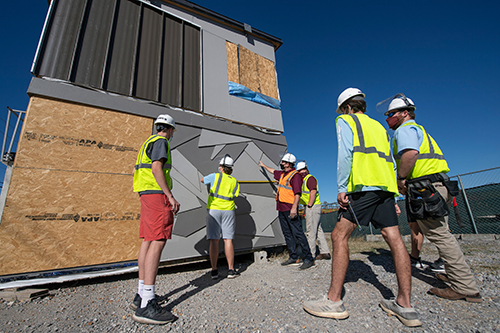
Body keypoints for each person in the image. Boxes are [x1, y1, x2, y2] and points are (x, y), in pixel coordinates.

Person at [303, 88, 422, 327]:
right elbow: (388, 157)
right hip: (385, 187)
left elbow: (346, 153)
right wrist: (392, 191)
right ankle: (405, 306)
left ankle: (333, 301)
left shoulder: (345, 120)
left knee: (338, 235)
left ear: (346, 107)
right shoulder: (379, 126)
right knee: (394, 237)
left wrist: (341, 186)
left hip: (362, 186)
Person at [385, 94, 481, 302]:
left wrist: (401, 178)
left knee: (439, 235)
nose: (389, 118)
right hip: (439, 185)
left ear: (405, 113)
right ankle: (455, 274)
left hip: (425, 188)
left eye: (392, 114)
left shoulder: (405, 130)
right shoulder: (420, 130)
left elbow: (410, 154)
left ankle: (464, 286)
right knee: (443, 232)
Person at [131, 114, 180, 325]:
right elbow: (157, 168)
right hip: (156, 195)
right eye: (172, 131)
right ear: (169, 129)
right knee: (158, 240)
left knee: (148, 240)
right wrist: (169, 195)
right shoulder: (161, 142)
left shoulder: (147, 142)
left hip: (145, 194)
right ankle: (147, 304)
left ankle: (142, 294)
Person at [259, 154, 315, 270]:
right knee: (287, 234)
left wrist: (294, 208)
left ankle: (308, 258)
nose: (282, 163)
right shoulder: (283, 174)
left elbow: (297, 193)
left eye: (284, 162)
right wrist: (263, 166)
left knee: (298, 233)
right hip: (281, 208)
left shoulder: (296, 176)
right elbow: (273, 171)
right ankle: (293, 256)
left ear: (289, 163)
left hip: (290, 208)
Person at [201, 155, 240, 279]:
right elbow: (235, 194)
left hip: (214, 210)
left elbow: (202, 180)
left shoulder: (214, 176)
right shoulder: (234, 181)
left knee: (214, 240)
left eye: (220, 166)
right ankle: (231, 269)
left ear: (222, 167)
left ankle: (214, 271)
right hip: (229, 210)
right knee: (228, 240)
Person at [296, 161, 331, 260]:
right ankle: (325, 252)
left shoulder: (310, 178)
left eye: (302, 170)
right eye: (299, 171)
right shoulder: (304, 180)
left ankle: (310, 255)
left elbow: (313, 192)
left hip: (312, 206)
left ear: (306, 169)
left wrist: (309, 205)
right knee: (318, 230)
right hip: (311, 206)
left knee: (310, 231)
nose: (301, 172)